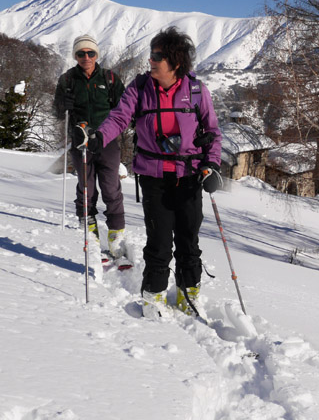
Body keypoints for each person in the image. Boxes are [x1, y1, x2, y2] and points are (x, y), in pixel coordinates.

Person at [92, 27, 223, 318]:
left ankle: (189, 295)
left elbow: (213, 132)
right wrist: (100, 137)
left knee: (189, 241)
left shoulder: (198, 92)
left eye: (157, 56)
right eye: (151, 54)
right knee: (160, 241)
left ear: (175, 62)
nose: (150, 60)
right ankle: (153, 297)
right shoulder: (140, 88)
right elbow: (119, 116)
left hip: (189, 177)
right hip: (154, 178)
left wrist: (212, 164)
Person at [54, 34, 127, 263]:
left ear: (97, 55)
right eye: (81, 53)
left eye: (90, 53)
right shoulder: (67, 80)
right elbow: (58, 112)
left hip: (106, 140)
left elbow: (124, 108)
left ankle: (116, 232)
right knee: (86, 186)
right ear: (75, 56)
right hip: (79, 140)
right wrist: (61, 105)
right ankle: (88, 224)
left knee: (111, 187)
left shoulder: (110, 78)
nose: (86, 57)